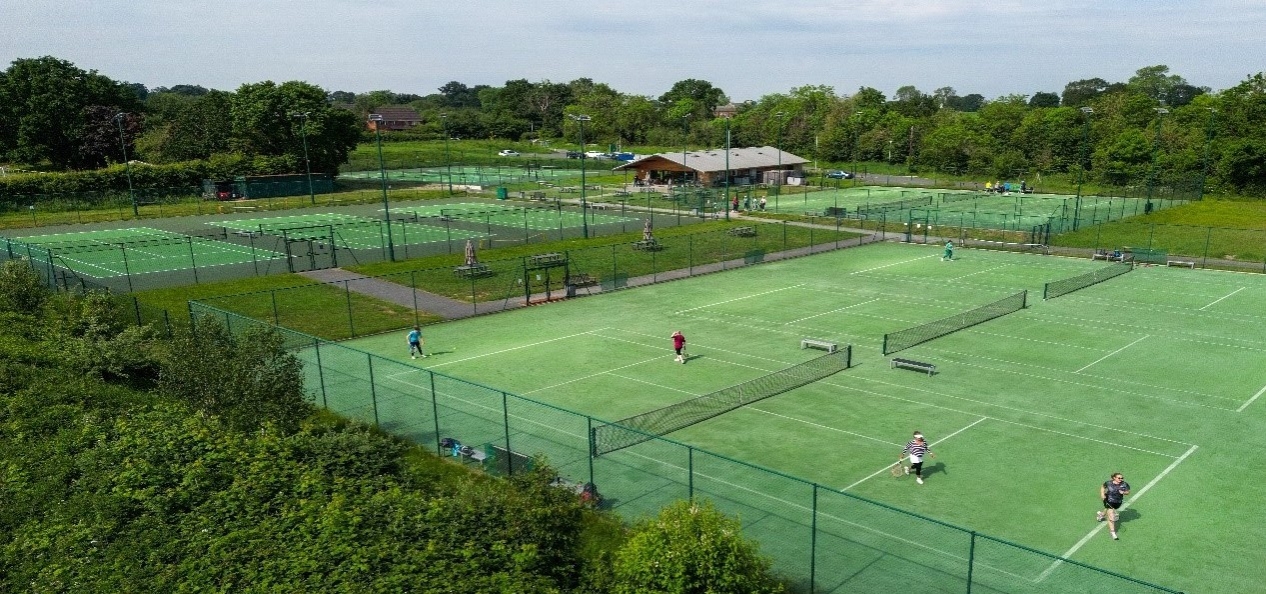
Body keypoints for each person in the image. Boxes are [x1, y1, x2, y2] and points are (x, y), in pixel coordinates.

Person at [1097, 472, 1131, 540]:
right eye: (1119, 478)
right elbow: (1103, 487)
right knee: (1111, 516)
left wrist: (1123, 492)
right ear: (1114, 478)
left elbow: (1128, 492)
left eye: (1122, 478)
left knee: (1109, 509)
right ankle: (1113, 532)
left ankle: (1102, 514)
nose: (1121, 479)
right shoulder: (1108, 483)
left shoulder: (1124, 484)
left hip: (1118, 502)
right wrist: (1102, 494)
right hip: (1108, 500)